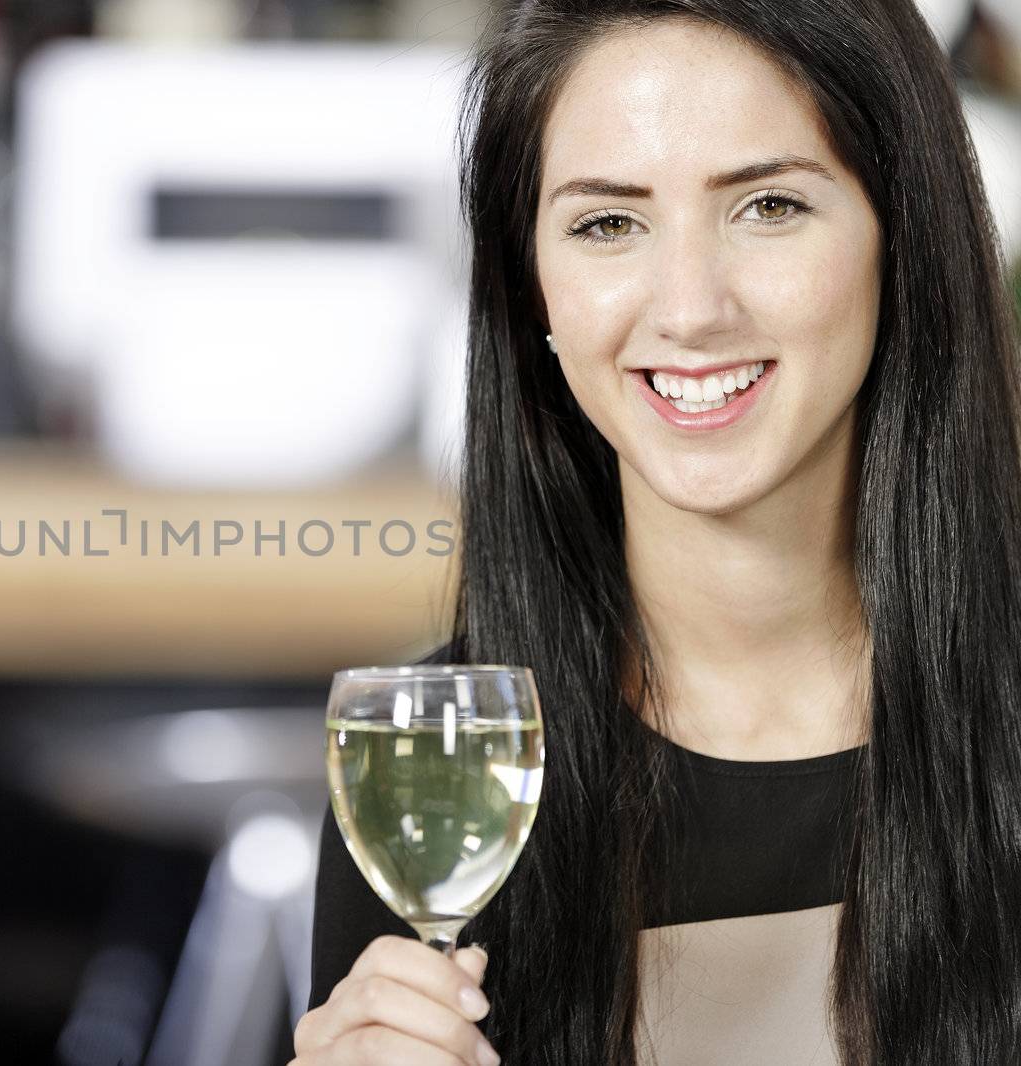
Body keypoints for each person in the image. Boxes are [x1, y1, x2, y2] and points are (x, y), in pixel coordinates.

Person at [290, 0, 1021, 1063]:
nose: (687, 308)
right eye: (606, 224)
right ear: (528, 284)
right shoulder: (441, 774)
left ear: (899, 236)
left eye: (767, 206)